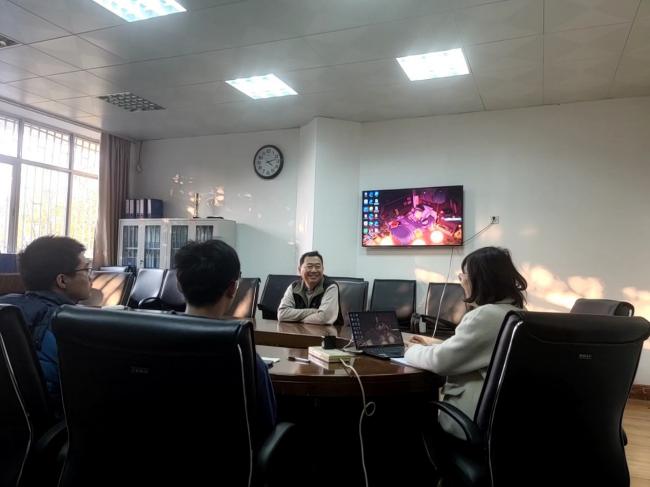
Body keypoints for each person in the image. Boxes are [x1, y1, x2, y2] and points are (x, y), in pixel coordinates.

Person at [404, 246, 527, 439]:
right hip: (504, 424)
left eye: (463, 276)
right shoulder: (518, 314)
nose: (461, 282)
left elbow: (440, 362)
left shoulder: (485, 316)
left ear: (479, 280)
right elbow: (473, 352)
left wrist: (411, 350)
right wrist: (432, 347)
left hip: (468, 423)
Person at [174, 239, 277, 443]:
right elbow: (267, 425)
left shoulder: (150, 341)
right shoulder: (246, 359)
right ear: (232, 288)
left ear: (178, 283)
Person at [0, 236, 91, 408]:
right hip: (51, 417)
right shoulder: (66, 323)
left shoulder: (7, 306)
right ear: (62, 280)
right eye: (86, 269)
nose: (90, 277)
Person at [277, 251, 343, 325]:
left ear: (323, 269)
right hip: (299, 331)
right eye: (309, 266)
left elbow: (324, 318)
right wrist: (314, 311)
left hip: (327, 331)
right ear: (299, 270)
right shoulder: (294, 287)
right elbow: (282, 314)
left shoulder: (331, 287)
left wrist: (295, 318)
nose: (314, 270)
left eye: (318, 266)